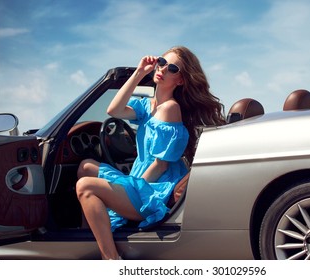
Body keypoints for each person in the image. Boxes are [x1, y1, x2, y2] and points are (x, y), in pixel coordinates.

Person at [75, 46, 226, 259]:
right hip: (141, 180)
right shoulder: (148, 106)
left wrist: (127, 188)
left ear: (180, 80)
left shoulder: (170, 109)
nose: (163, 69)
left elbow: (160, 165)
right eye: (162, 62)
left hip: (152, 190)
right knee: (86, 167)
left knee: (85, 186)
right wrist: (139, 72)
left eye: (172, 68)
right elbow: (114, 111)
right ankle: (91, 236)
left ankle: (110, 258)